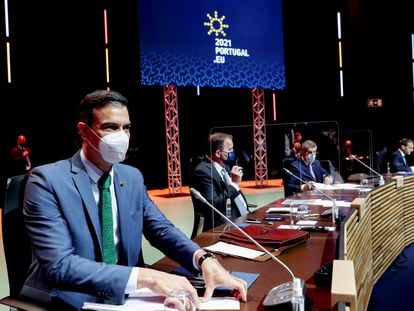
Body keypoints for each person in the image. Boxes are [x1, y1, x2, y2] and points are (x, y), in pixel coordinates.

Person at [20, 90, 247, 310]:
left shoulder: (131, 177)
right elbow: (60, 266)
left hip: (128, 297)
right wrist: (144, 276)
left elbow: (162, 230)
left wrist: (202, 258)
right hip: (70, 298)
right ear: (84, 131)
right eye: (110, 127)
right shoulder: (46, 181)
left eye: (126, 128)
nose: (121, 136)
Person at [189, 132, 249, 231]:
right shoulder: (203, 171)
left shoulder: (225, 166)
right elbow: (213, 205)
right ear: (218, 153)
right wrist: (234, 184)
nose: (233, 152)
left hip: (240, 216)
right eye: (230, 150)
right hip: (222, 225)